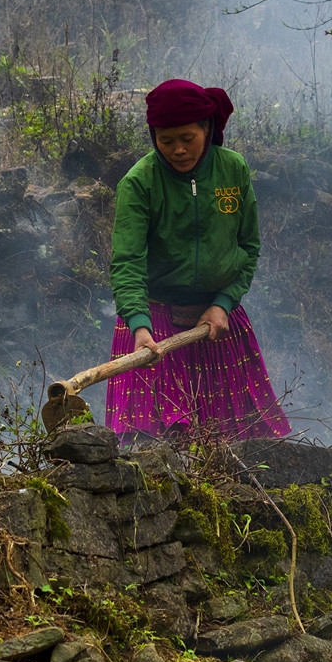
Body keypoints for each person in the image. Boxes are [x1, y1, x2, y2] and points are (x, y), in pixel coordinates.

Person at [106, 78, 291, 441]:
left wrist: (224, 302)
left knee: (239, 445)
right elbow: (126, 262)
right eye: (166, 140)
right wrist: (139, 326)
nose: (177, 150)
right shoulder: (138, 183)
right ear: (153, 137)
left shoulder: (233, 170)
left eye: (187, 138)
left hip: (218, 321)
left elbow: (248, 247)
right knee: (151, 445)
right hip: (154, 322)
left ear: (207, 129)